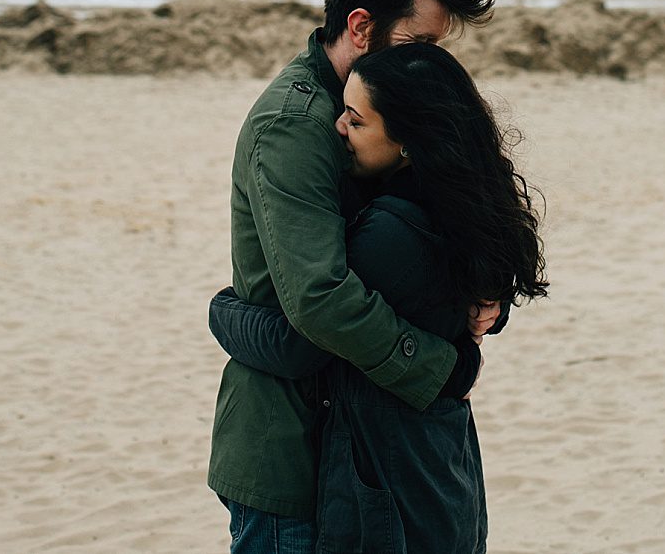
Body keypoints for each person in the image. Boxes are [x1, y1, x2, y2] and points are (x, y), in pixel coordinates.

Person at [208, 0, 497, 552]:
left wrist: (485, 297)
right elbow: (319, 301)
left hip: (373, 460)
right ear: (361, 27)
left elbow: (453, 225)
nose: (428, 67)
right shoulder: (297, 124)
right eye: (417, 46)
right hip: (292, 461)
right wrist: (437, 365)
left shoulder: (395, 124)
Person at [210, 43, 548, 553]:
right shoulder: (469, 211)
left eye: (356, 120)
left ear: (408, 141)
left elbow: (298, 343)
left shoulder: (387, 235)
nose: (339, 129)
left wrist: (222, 311)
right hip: (443, 473)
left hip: (391, 487)